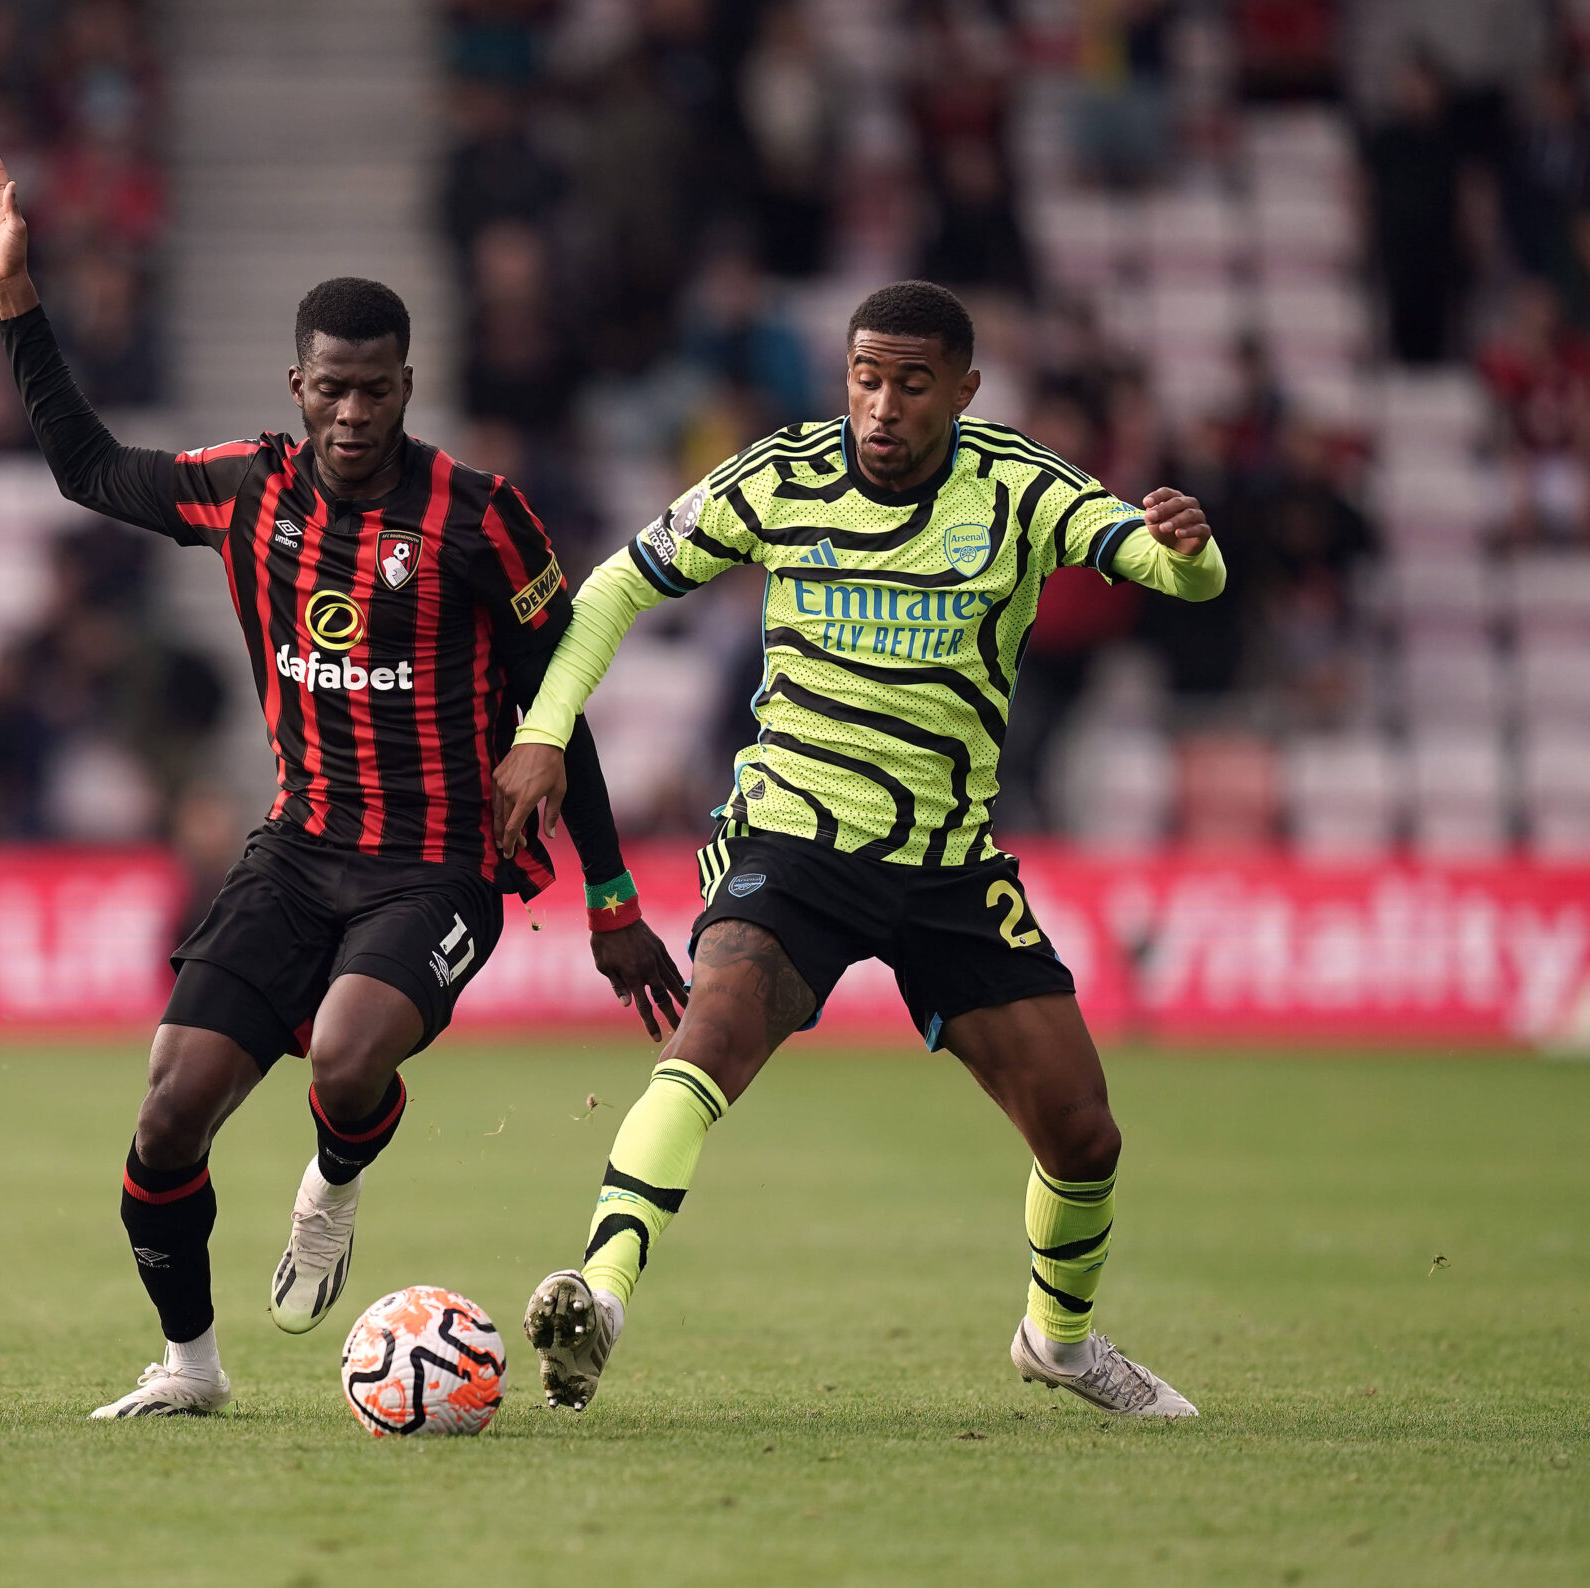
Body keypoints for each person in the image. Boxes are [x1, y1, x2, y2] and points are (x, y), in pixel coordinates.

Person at [0, 151, 686, 1417]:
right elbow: (86, 469)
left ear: (406, 387)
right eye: (329, 388)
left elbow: (558, 722)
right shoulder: (246, 488)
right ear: (297, 384)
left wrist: (610, 900)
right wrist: (15, 299)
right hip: (294, 850)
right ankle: (189, 1365)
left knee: (343, 1060)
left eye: (374, 391)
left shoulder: (483, 519)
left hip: (436, 862)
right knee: (167, 1115)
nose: (350, 413)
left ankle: (332, 1184)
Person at [495, 281, 1223, 1420]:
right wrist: (543, 733)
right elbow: (613, 588)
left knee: (1083, 1135)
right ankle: (600, 1295)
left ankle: (1060, 1341)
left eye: (911, 382)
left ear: (964, 389)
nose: (880, 405)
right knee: (713, 1030)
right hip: (796, 832)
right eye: (863, 378)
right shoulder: (780, 475)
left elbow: (1166, 567)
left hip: (947, 859)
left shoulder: (1019, 486)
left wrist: (1188, 552)